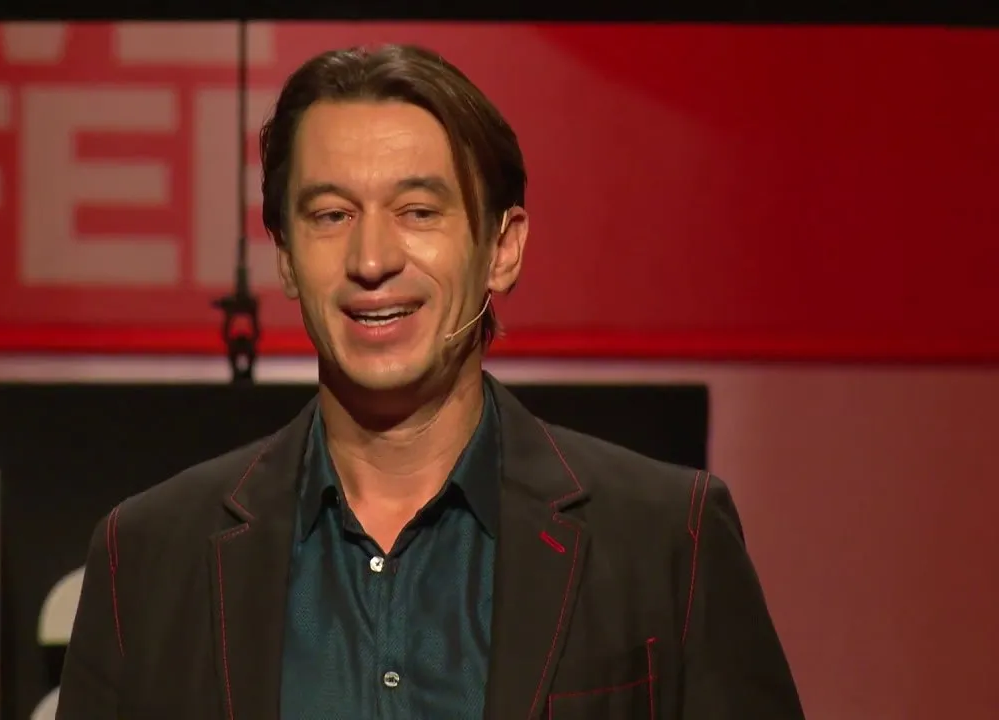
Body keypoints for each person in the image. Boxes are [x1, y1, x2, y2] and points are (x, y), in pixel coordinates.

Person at [55, 44, 804, 720]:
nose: (371, 259)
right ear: (284, 256)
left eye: (418, 211)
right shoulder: (148, 557)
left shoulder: (667, 539)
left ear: (501, 248)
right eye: (330, 215)